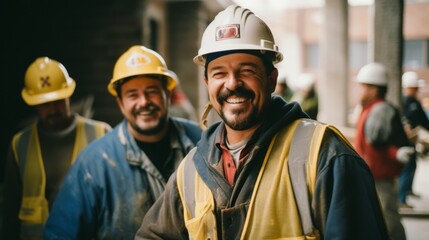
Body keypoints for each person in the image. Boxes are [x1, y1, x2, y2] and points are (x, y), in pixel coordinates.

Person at [136, 5, 388, 240]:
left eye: (247, 70)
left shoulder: (324, 156)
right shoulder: (191, 169)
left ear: (271, 79)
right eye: (219, 73)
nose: (232, 83)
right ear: (207, 83)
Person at [43, 45, 201, 239]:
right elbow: (59, 234)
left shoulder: (200, 142)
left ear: (167, 95)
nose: (143, 102)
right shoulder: (95, 164)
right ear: (120, 103)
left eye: (151, 91)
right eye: (132, 95)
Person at [2, 57, 112, 240]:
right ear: (34, 104)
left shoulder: (101, 133)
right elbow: (10, 211)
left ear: (68, 95)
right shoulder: (20, 143)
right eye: (45, 104)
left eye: (59, 101)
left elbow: (114, 203)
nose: (53, 109)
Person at [353, 62, 414, 240]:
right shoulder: (370, 109)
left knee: (388, 220)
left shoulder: (379, 110)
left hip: (380, 177)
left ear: (373, 89)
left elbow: (377, 143)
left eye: (362, 86)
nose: (359, 90)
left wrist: (394, 153)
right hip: (373, 175)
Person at [399, 71, 429, 208]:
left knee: (412, 165)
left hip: (410, 140)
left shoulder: (410, 102)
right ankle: (401, 199)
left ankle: (407, 191)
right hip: (405, 141)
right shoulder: (407, 103)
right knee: (408, 167)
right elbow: (421, 120)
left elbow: (422, 121)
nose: (416, 90)